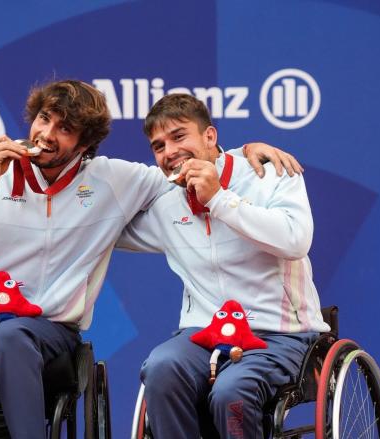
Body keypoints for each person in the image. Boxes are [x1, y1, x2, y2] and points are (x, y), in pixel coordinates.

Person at [0, 79, 300, 438]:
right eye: (44, 120)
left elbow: (187, 167)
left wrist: (243, 152)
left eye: (64, 129)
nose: (46, 135)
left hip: (47, 328)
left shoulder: (113, 181)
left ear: (84, 145)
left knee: (14, 337)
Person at [116, 93, 329, 438]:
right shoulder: (166, 204)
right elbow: (94, 227)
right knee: (160, 368)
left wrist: (218, 199)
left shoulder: (271, 172)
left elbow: (295, 240)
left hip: (279, 333)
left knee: (232, 392)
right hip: (202, 334)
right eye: (158, 146)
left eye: (179, 136)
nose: (169, 151)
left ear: (210, 136)